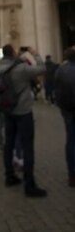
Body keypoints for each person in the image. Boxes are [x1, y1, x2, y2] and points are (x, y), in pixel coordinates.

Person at [0, 44, 47, 197]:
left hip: (7, 111)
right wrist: (34, 54)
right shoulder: (20, 68)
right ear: (13, 53)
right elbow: (42, 68)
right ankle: (29, 184)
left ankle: (9, 176)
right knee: (27, 146)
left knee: (9, 144)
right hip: (23, 111)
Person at [54, 47, 75, 187]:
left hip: (68, 111)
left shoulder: (60, 70)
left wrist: (62, 107)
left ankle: (72, 174)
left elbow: (58, 91)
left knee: (71, 141)